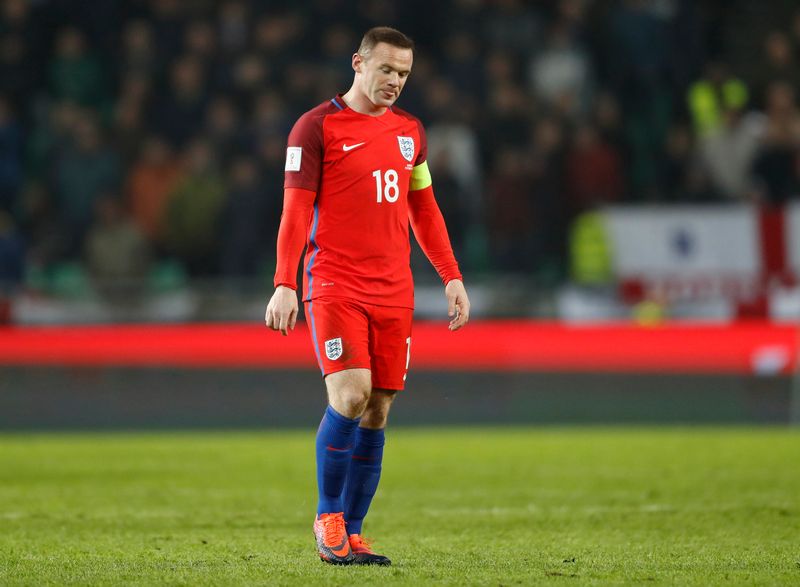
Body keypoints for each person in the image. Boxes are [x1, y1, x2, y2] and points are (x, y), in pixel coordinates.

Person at [264, 26, 470, 566]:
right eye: (386, 69)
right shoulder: (315, 128)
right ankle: (328, 514)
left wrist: (450, 276)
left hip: (394, 290)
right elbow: (293, 214)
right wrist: (285, 282)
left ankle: (353, 532)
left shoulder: (410, 133)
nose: (395, 82)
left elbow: (422, 209)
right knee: (351, 396)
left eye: (404, 73)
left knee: (378, 408)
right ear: (358, 63)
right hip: (335, 284)